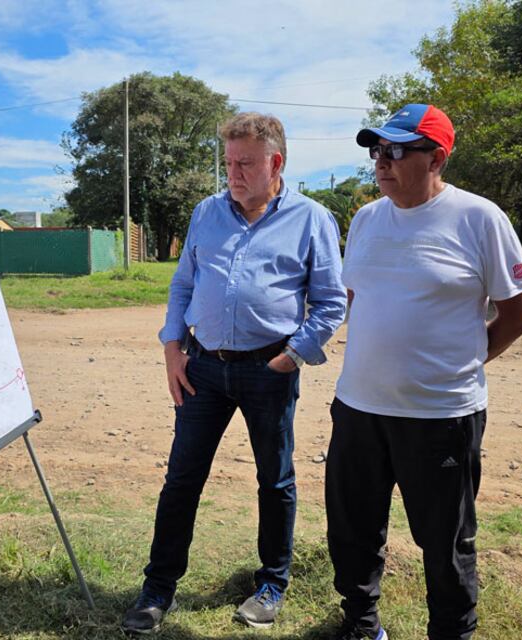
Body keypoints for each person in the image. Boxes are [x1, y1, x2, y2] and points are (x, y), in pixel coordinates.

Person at [121, 112, 346, 634]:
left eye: (245, 163)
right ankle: (158, 589)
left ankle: (271, 583)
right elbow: (183, 285)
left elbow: (332, 302)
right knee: (182, 479)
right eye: (228, 162)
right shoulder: (207, 212)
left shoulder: (312, 218)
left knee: (276, 479)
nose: (234, 174)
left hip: (269, 369)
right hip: (201, 367)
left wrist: (293, 355)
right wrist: (172, 349)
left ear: (276, 163)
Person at [326, 104, 522, 640]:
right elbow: (357, 298)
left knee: (445, 542)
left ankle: (450, 631)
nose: (382, 162)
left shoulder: (479, 218)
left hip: (440, 416)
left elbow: (517, 314)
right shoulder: (368, 219)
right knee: (352, 533)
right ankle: (360, 623)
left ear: (437, 157)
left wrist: (460, 363)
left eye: (397, 150)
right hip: (359, 409)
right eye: (377, 150)